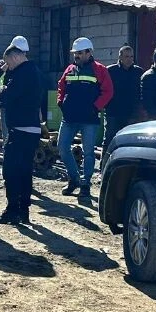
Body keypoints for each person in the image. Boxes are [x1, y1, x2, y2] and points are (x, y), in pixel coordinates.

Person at [0, 37, 47, 226]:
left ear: (14, 58)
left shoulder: (22, 73)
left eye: (8, 62)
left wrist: (0, 91)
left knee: (11, 169)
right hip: (31, 127)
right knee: (25, 170)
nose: (7, 66)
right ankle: (23, 210)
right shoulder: (35, 71)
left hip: (20, 128)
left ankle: (12, 209)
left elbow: (8, 95)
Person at [57, 37, 113, 201]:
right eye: (75, 53)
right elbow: (61, 86)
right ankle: (74, 179)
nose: (77, 56)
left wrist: (95, 107)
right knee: (62, 147)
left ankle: (85, 184)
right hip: (69, 118)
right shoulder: (69, 69)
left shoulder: (100, 70)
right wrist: (61, 102)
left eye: (80, 53)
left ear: (89, 53)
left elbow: (108, 91)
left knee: (89, 153)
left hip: (89, 119)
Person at [103, 45, 142, 162]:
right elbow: (103, 89)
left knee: (130, 141)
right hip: (113, 112)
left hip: (131, 114)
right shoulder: (110, 71)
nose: (129, 59)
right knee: (110, 139)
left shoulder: (138, 72)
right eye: (126, 56)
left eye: (131, 56)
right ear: (120, 57)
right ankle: (104, 166)